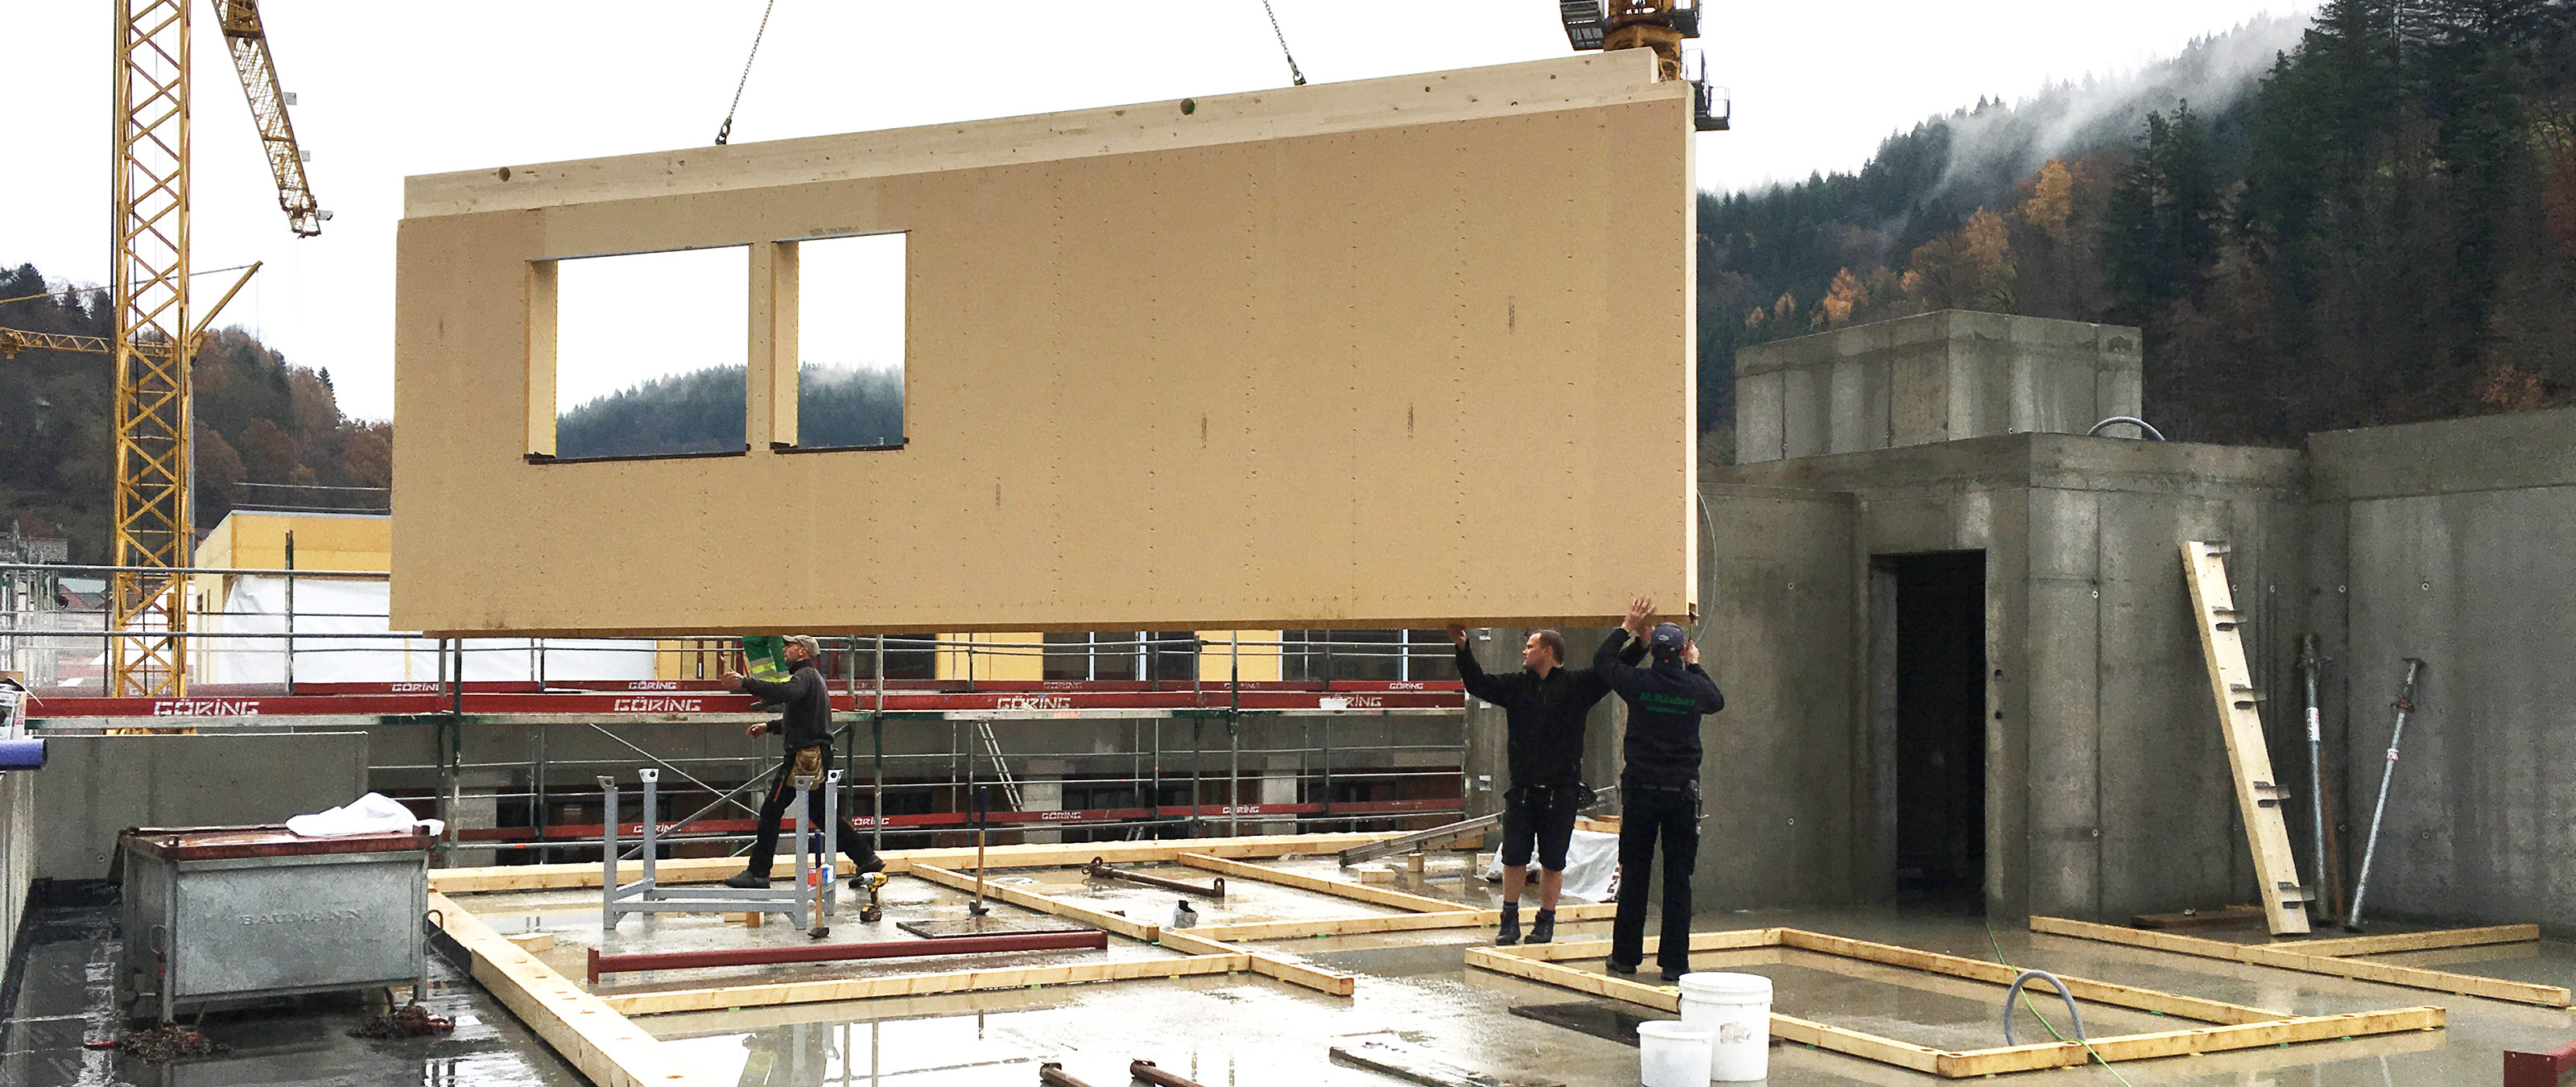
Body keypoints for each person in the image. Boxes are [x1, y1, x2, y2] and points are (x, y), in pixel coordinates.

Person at [1449, 624, 1643, 945]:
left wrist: (1639, 641)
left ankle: (1545, 923)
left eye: (1530, 646)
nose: (1524, 651)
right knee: (1514, 858)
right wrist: (1463, 648)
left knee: (1554, 861)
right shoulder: (1517, 686)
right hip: (1523, 790)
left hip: (1560, 793)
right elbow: (1478, 683)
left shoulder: (1576, 686)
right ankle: (1509, 921)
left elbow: (1612, 670)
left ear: (1548, 652)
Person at [1592, 597, 1724, 982]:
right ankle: (1674, 963)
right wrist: (1695, 665)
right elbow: (1717, 700)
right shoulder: (1692, 686)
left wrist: (1628, 627)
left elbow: (1603, 663)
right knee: (1678, 877)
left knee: (1635, 873)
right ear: (1682, 651)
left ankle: (1625, 957)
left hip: (1641, 793)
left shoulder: (1638, 682)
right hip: (1680, 795)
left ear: (1654, 652)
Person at [722, 634, 885, 888]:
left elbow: (788, 692)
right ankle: (866, 858)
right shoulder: (811, 680)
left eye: (789, 646)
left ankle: (758, 872)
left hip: (803, 757)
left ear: (803, 652)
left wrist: (747, 683)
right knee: (821, 814)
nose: (784, 650)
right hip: (814, 754)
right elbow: (802, 719)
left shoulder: (804, 678)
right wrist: (769, 726)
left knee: (771, 811)